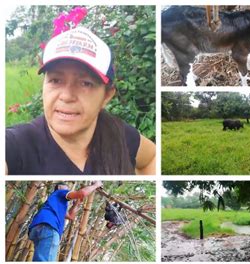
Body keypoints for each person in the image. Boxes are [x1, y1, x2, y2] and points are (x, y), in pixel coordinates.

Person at [5, 27, 156, 175]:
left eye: (85, 83)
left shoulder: (119, 134)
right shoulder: (15, 145)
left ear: (106, 96)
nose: (66, 96)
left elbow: (151, 158)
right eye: (56, 80)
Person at [28, 181, 103, 261]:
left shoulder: (55, 202)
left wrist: (77, 204)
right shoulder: (60, 192)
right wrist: (96, 185)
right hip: (49, 228)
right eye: (67, 188)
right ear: (59, 187)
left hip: (36, 229)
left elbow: (70, 216)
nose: (69, 190)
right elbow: (82, 193)